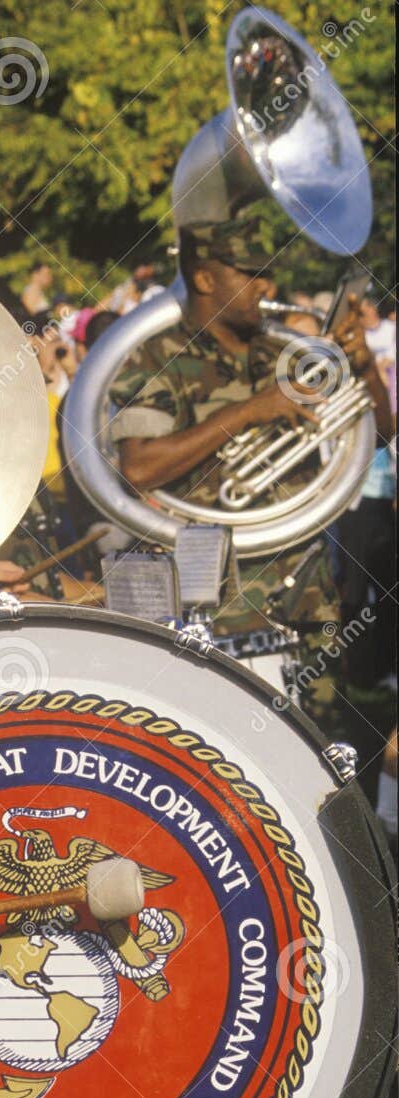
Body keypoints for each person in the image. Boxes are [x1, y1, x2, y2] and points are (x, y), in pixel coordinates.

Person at [108, 212, 393, 728]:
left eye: (269, 272)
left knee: (324, 747)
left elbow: (380, 433)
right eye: (252, 272)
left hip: (306, 592)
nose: (268, 285)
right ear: (205, 277)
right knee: (222, 750)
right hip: (215, 603)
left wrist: (367, 367)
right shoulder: (156, 357)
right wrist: (244, 413)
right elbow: (138, 467)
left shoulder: (286, 351)